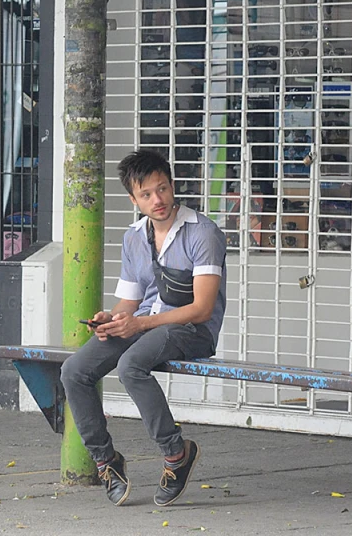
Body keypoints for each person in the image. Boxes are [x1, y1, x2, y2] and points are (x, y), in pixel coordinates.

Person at [60, 150, 228, 507]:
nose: (158, 200)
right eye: (147, 194)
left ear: (172, 185)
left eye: (163, 189)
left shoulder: (203, 233)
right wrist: (111, 319)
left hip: (190, 329)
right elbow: (129, 302)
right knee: (73, 370)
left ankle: (176, 454)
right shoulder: (134, 237)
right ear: (133, 199)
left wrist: (139, 324)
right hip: (145, 325)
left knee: (130, 366)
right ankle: (106, 461)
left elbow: (201, 309)